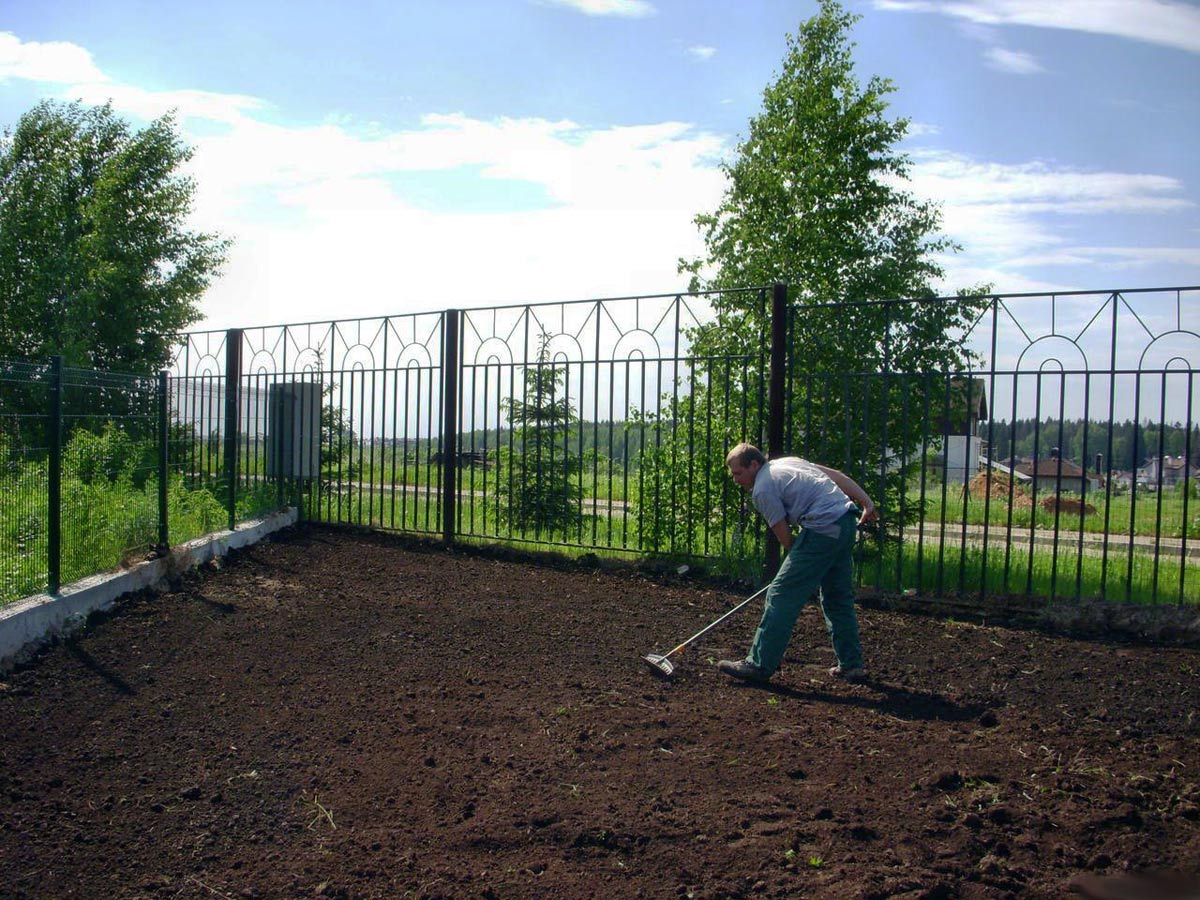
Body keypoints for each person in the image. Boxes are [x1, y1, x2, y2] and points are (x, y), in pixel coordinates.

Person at [717, 442, 878, 684]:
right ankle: (852, 665)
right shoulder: (789, 462)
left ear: (754, 464)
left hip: (822, 528)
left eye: (738, 473)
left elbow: (784, 536)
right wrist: (867, 502)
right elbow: (837, 476)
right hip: (845, 522)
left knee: (781, 594)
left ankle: (758, 665)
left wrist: (801, 562)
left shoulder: (762, 488)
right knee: (837, 597)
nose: (735, 480)